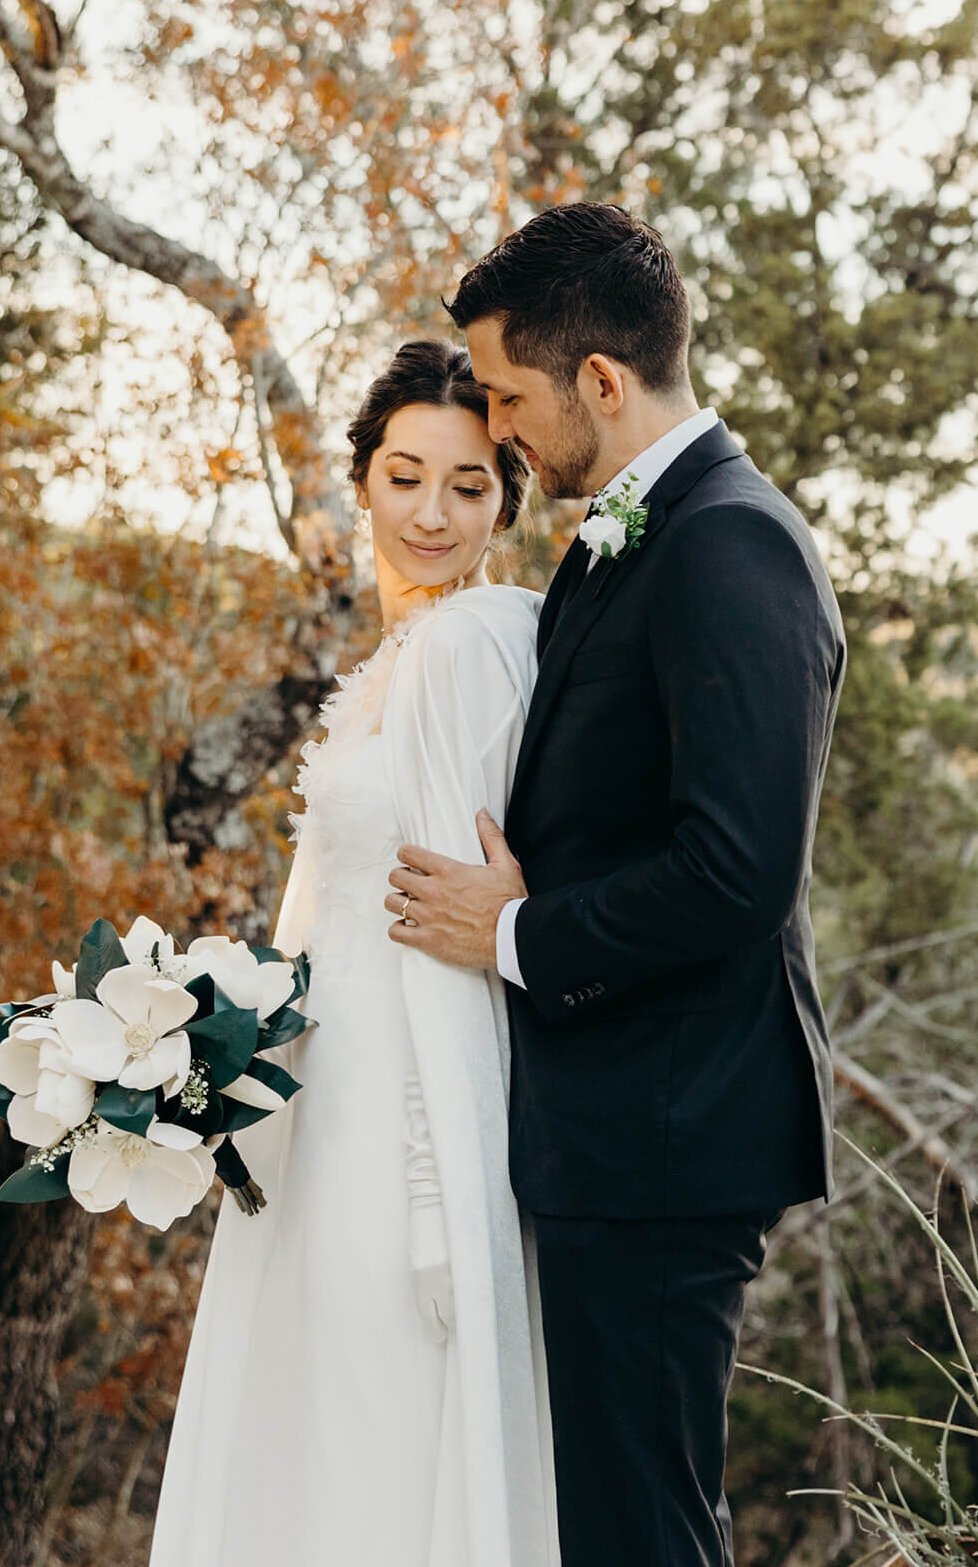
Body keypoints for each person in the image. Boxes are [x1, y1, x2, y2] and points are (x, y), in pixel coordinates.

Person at [385, 202, 848, 1567]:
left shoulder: (727, 542)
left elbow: (737, 870)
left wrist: (517, 931)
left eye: (512, 397)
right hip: (610, 1119)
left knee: (641, 1530)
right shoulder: (625, 536)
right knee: (607, 1517)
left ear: (598, 380)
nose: (503, 431)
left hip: (670, 1127)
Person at [149, 339, 560, 1567]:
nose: (431, 513)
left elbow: (454, 937)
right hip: (316, 1114)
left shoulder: (471, 645)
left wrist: (442, 1207)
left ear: (507, 498)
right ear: (361, 480)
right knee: (306, 1430)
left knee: (375, 1427)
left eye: (469, 484)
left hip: (400, 1134)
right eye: (403, 475)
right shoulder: (393, 657)